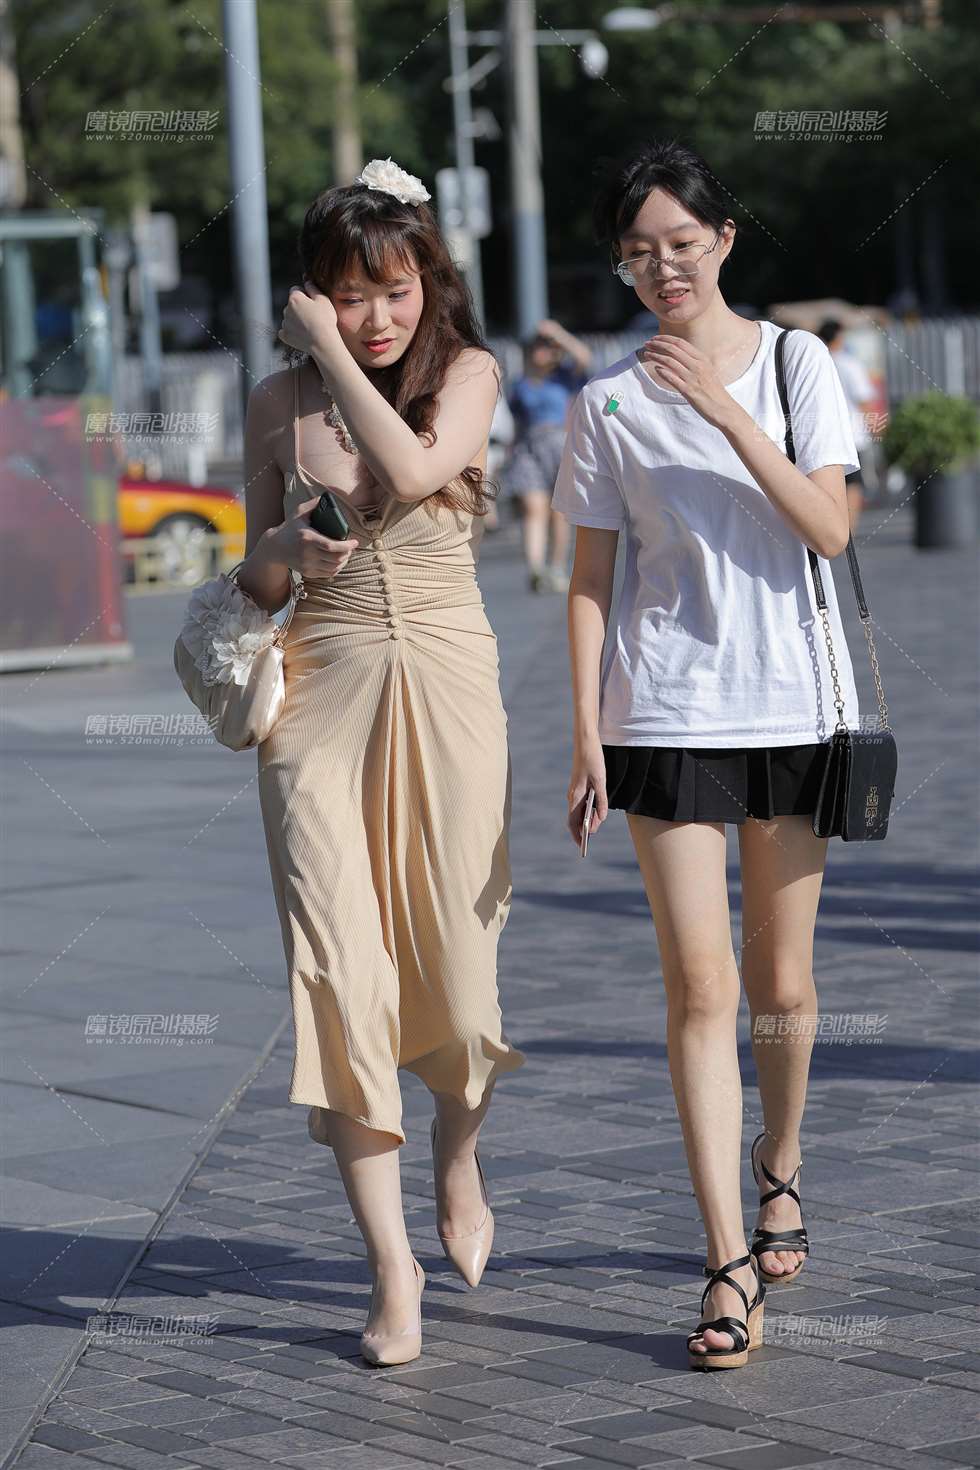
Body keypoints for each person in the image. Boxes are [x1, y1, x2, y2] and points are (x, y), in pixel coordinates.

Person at [553, 138, 862, 1370]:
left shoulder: (796, 365)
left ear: (723, 240)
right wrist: (585, 729)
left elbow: (828, 528)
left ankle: (777, 1162)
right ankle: (724, 1257)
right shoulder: (603, 404)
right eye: (638, 253)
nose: (662, 268)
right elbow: (588, 578)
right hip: (665, 713)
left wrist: (723, 411)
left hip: (787, 709)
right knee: (699, 989)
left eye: (681, 244)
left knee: (780, 987)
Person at [235, 158, 526, 1368]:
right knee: (338, 977)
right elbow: (251, 575)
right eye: (347, 295)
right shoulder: (273, 401)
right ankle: (390, 1268)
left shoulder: (469, 374)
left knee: (458, 973)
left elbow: (410, 473)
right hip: (318, 701)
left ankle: (457, 1154)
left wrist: (329, 354)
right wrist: (282, 550)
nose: (373, 316)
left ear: (428, 281)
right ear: (315, 288)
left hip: (448, 687)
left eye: (392, 288)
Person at [506, 320, 592, 592]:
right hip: (530, 446)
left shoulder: (565, 376)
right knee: (533, 507)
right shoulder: (521, 384)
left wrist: (557, 333)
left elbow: (584, 356)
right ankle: (535, 569)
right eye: (538, 347)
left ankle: (556, 567)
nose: (541, 352)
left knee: (559, 511)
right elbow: (517, 421)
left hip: (561, 443)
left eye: (547, 347)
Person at [817, 317, 877, 530]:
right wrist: (876, 428)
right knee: (853, 483)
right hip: (852, 434)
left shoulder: (817, 361)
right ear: (839, 337)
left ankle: (832, 528)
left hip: (821, 433)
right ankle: (848, 530)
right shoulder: (851, 364)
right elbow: (864, 399)